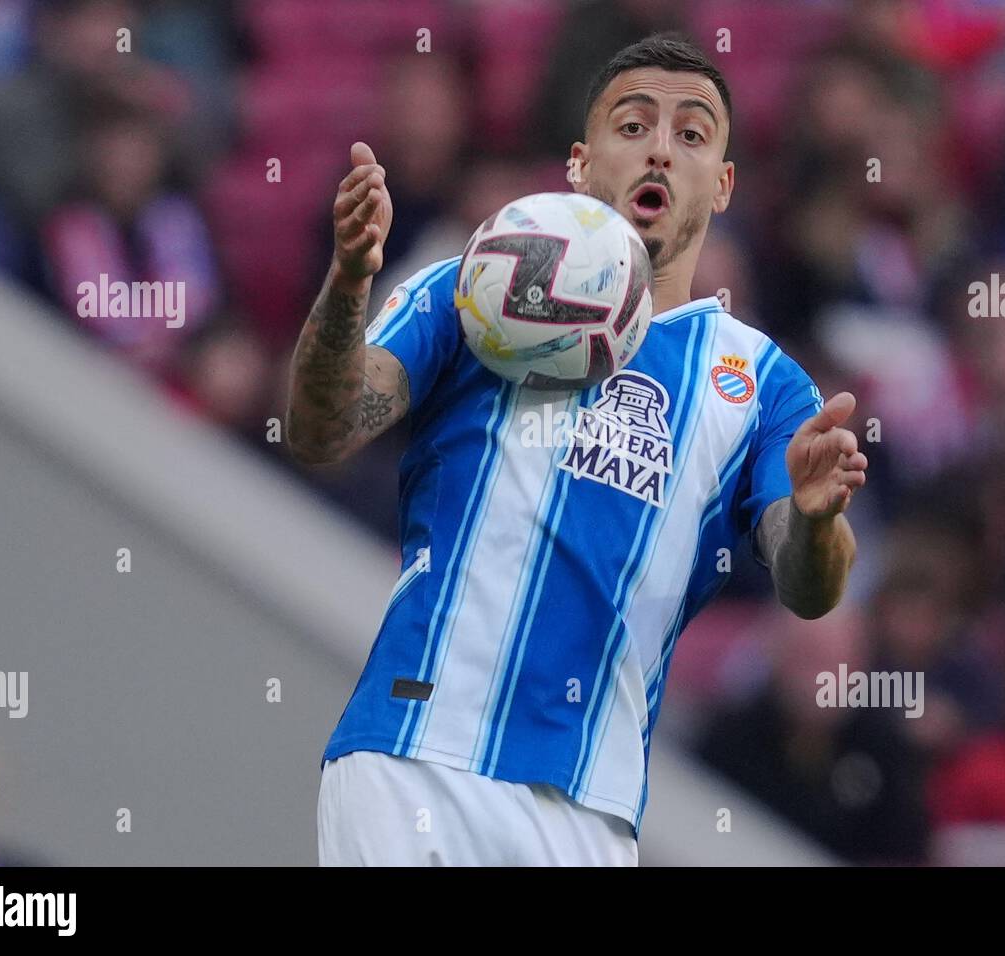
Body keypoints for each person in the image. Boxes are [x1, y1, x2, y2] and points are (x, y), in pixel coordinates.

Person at [290, 33, 869, 866]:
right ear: (578, 163)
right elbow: (321, 428)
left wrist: (816, 522)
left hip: (585, 809)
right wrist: (349, 283)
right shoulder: (476, 287)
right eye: (633, 126)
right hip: (411, 755)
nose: (661, 149)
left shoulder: (762, 383)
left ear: (726, 184)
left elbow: (811, 588)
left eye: (693, 135)